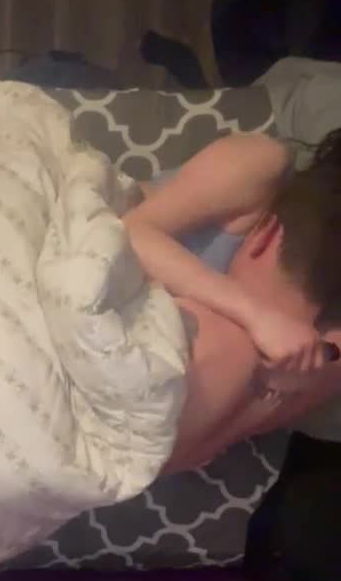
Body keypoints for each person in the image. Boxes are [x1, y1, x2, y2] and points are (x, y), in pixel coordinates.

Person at [126, 130, 341, 473]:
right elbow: (124, 233)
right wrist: (256, 317)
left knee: (234, 356)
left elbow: (173, 459)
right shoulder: (258, 165)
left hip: (130, 414)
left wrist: (268, 397)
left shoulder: (329, 349)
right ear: (267, 233)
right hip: (84, 246)